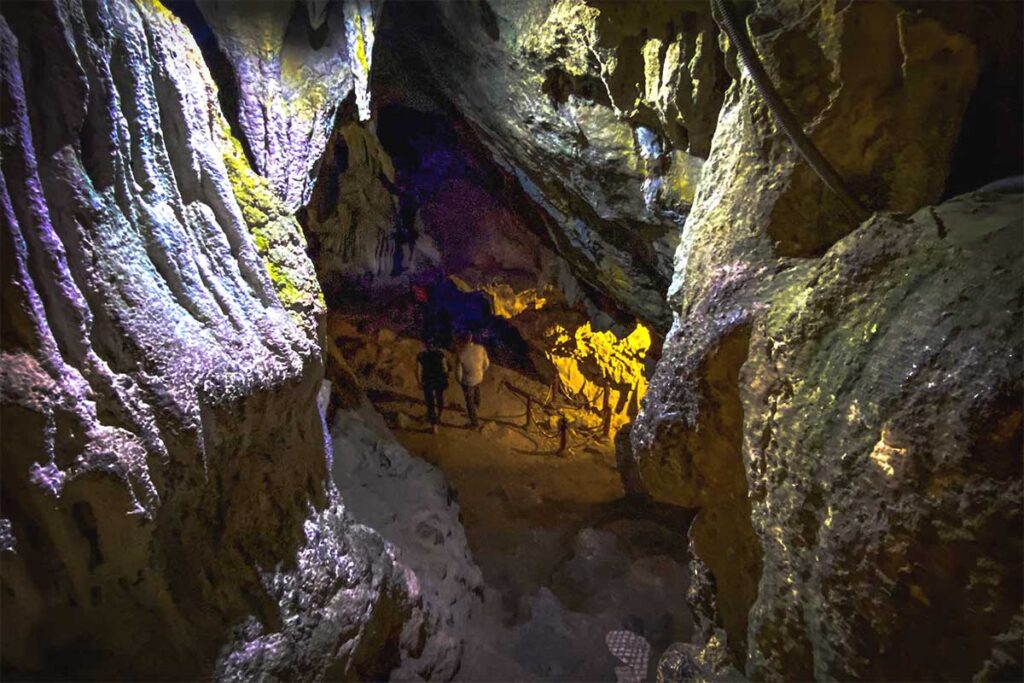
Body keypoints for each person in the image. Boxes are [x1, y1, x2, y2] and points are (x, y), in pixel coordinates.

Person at [456, 332, 489, 428]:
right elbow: (486, 364)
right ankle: (477, 406)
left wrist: (460, 381)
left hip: (468, 381)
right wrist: (481, 371)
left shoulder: (461, 354)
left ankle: (474, 423)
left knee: (469, 401)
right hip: (479, 377)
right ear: (471, 339)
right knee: (477, 390)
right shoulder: (480, 348)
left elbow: (458, 373)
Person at [416, 338, 450, 434]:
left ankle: (434, 426)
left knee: (430, 402)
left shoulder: (421, 355)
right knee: (439, 397)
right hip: (439, 379)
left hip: (428, 381)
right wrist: (446, 376)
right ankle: (439, 415)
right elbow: (445, 367)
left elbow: (419, 370)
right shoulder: (440, 354)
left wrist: (419, 381)